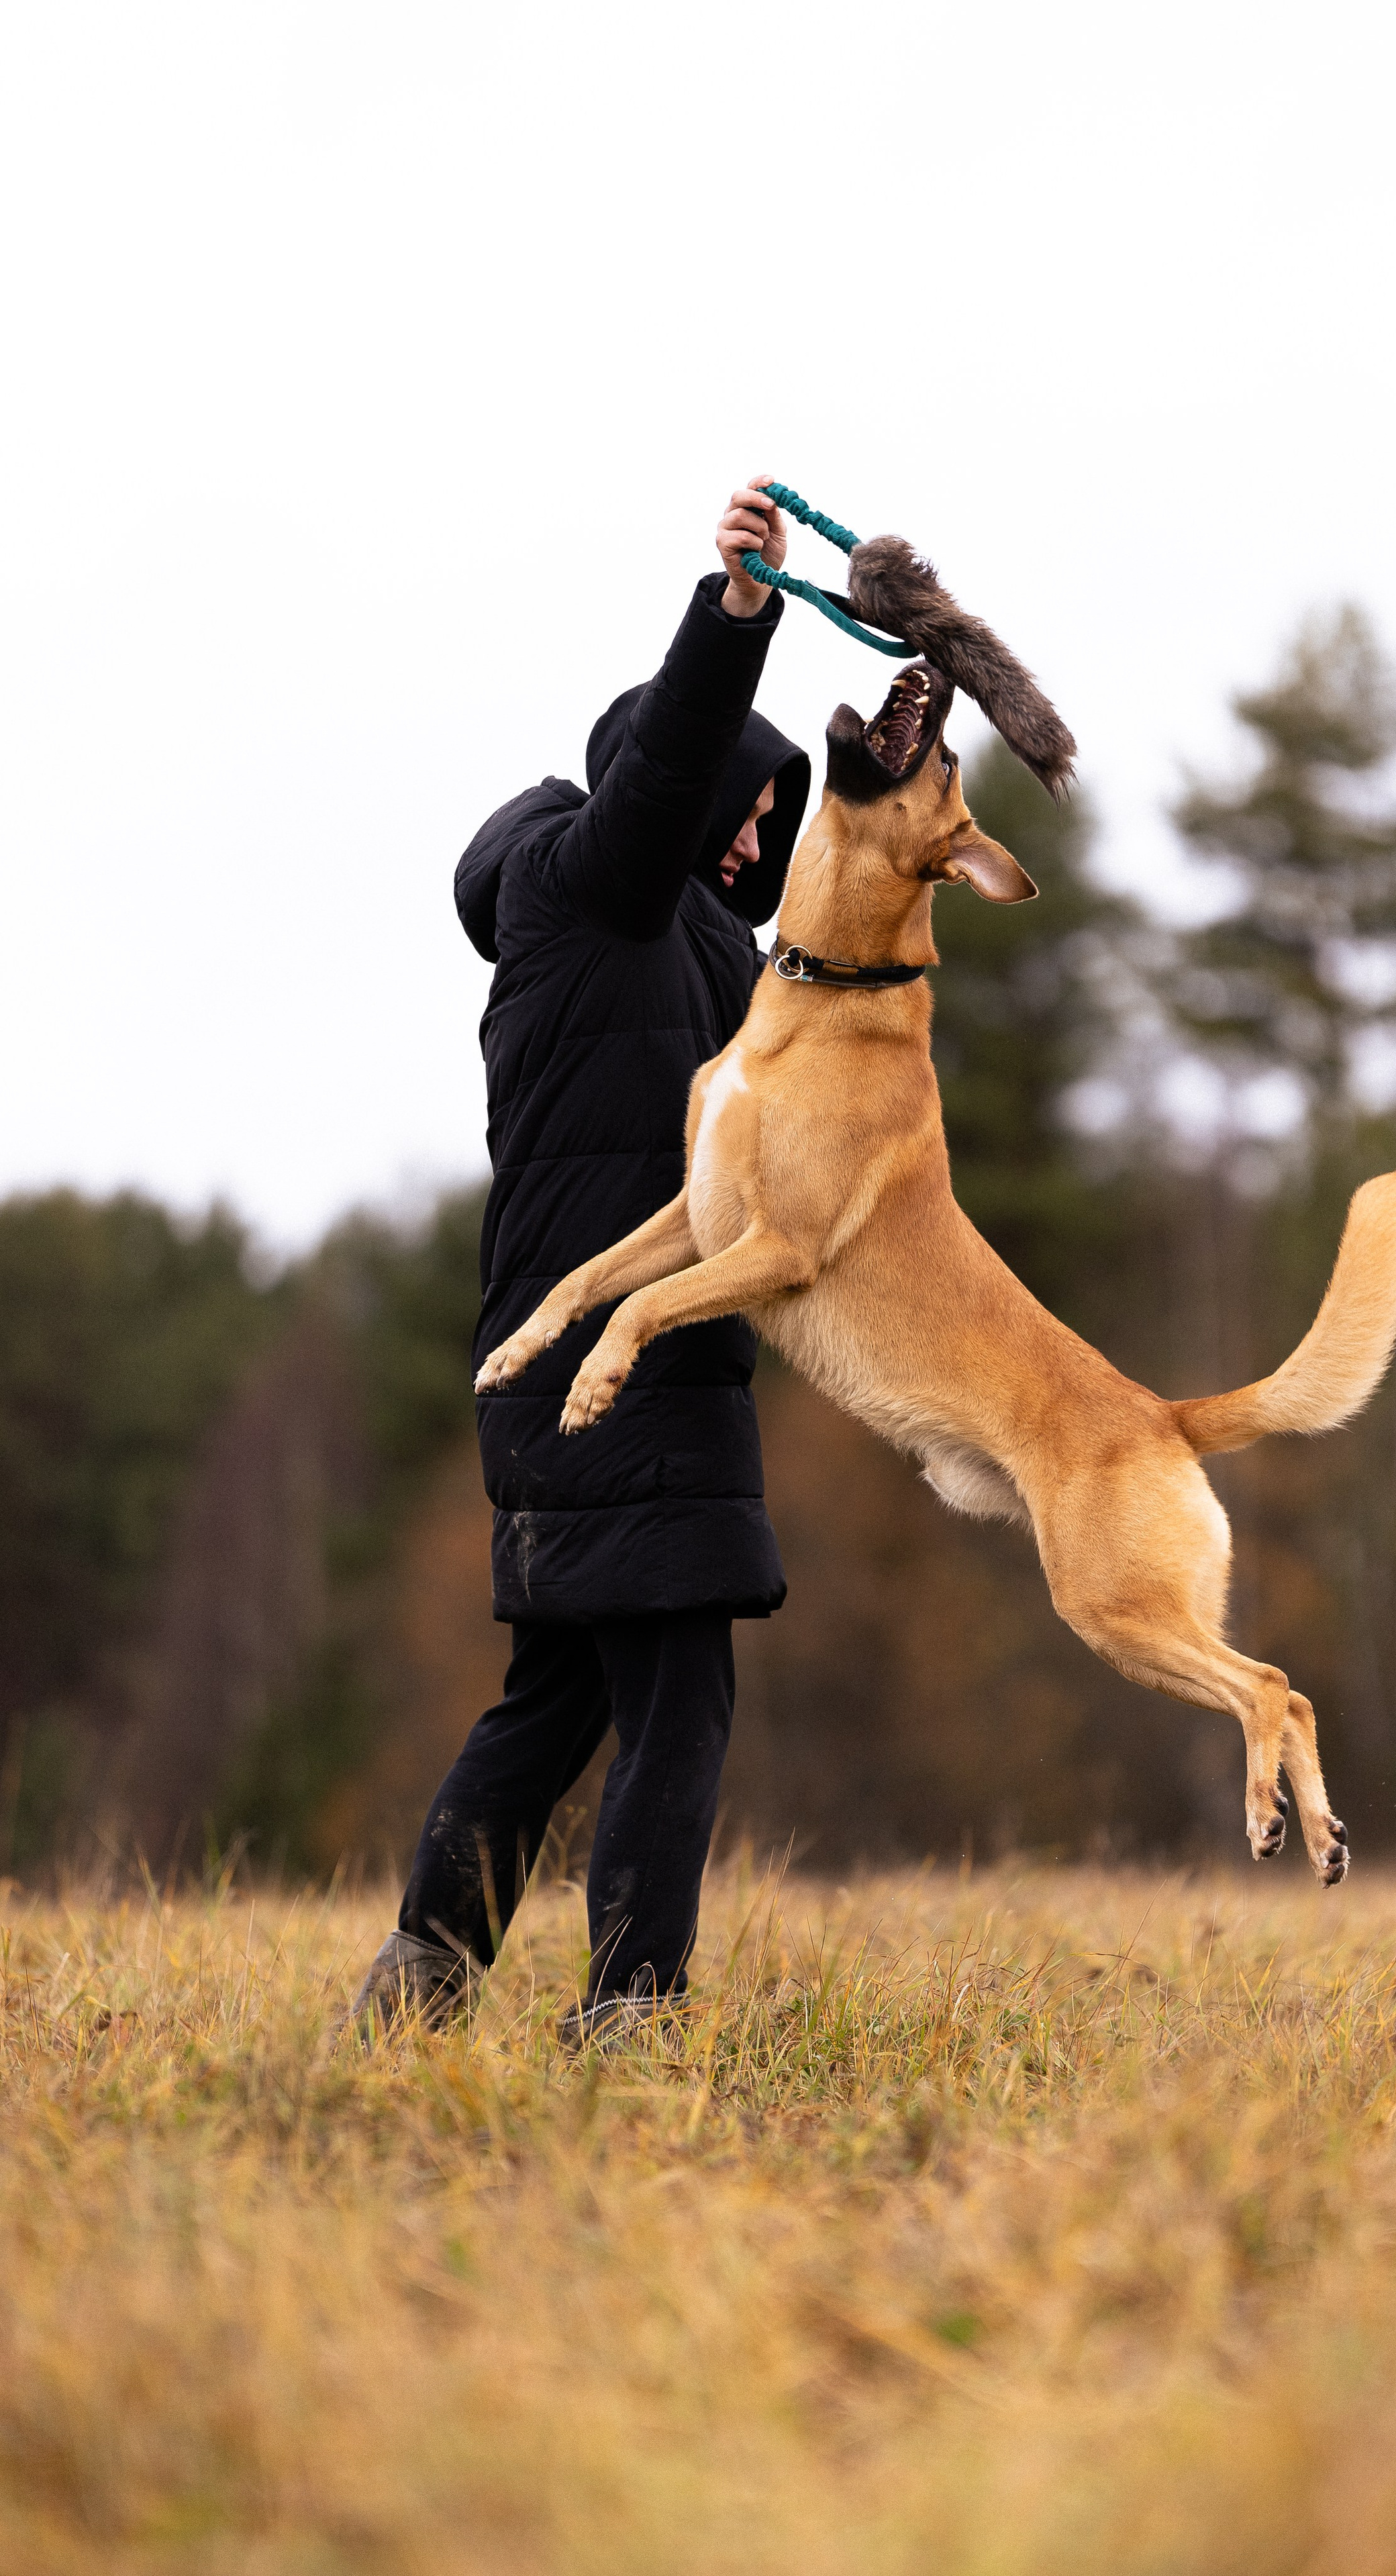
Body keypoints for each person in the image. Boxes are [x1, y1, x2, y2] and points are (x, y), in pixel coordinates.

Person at [350, 477, 811, 2045]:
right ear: (671, 795)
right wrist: (736, 608)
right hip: (603, 1363)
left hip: (621, 1357)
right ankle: (631, 2013)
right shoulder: (579, 895)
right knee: (676, 1693)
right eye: (751, 801)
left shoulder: (700, 948)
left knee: (556, 1700)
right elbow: (675, 754)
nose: (760, 829)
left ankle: (421, 1977)